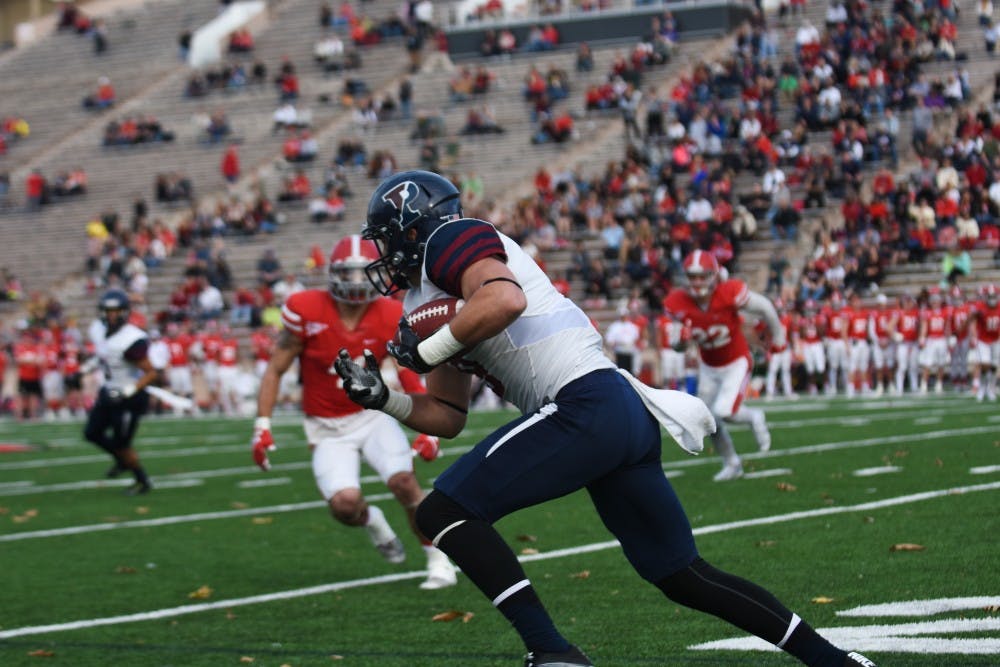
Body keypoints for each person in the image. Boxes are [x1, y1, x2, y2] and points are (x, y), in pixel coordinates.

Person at [333, 170, 876, 667]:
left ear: (411, 227)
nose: (381, 254)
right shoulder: (423, 301)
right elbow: (449, 414)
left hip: (584, 402)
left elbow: (502, 300)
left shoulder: (449, 241)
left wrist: (424, 351)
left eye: (384, 238)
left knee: (442, 510)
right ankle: (834, 662)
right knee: (682, 575)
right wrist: (385, 399)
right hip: (613, 413)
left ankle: (552, 652)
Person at [252, 234, 456, 591]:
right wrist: (262, 425)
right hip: (326, 426)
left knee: (404, 482)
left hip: (372, 415)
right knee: (345, 506)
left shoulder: (391, 312)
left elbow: (406, 369)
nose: (358, 282)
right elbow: (275, 369)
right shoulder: (305, 309)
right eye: (349, 273)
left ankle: (438, 559)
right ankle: (374, 521)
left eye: (364, 273)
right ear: (333, 274)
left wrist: (430, 429)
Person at [663, 251, 781, 481]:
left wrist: (778, 335)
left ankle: (755, 416)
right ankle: (732, 463)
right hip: (708, 366)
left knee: (725, 412)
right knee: (709, 421)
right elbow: (676, 347)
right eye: (692, 276)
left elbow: (765, 307)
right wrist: (682, 341)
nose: (697, 282)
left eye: (702, 276)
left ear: (714, 276)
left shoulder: (729, 293)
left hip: (736, 360)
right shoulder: (678, 302)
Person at [82, 290, 159, 495]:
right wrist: (85, 368)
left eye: (116, 311)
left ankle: (142, 481)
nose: (111, 316)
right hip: (109, 390)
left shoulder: (132, 338)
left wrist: (127, 391)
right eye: (108, 311)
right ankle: (121, 460)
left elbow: (151, 373)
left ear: (125, 312)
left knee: (123, 443)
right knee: (92, 433)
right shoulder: (98, 329)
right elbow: (103, 355)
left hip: (129, 397)